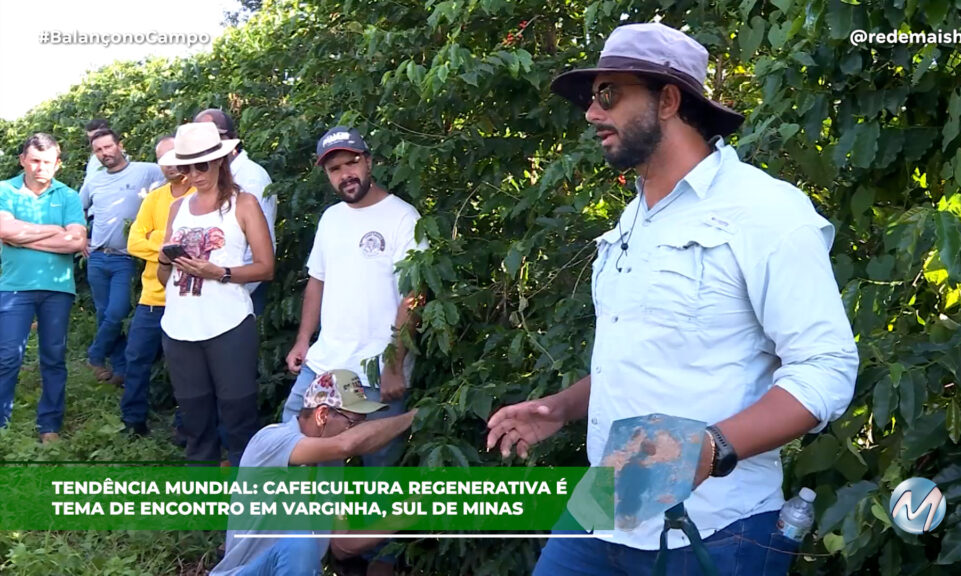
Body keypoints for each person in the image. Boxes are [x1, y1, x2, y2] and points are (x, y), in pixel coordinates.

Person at [486, 23, 859, 575]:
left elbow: (827, 369)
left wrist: (711, 447)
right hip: (607, 503)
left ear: (668, 100)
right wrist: (560, 409)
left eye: (608, 94)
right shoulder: (635, 216)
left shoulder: (766, 212)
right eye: (592, 98)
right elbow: (649, 354)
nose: (592, 113)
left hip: (714, 529)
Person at [281, 126, 425, 460]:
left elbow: (413, 295)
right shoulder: (331, 219)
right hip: (322, 366)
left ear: (369, 162)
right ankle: (307, 515)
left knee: (379, 470)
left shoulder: (403, 217)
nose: (345, 174)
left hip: (376, 371)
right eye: (335, 169)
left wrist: (395, 362)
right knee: (295, 453)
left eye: (352, 163)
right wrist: (303, 340)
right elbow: (317, 281)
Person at [210, 369, 417, 576]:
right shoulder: (273, 440)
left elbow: (343, 546)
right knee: (299, 542)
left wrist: (403, 516)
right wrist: (412, 418)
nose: (357, 430)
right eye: (354, 422)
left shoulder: (332, 466)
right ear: (322, 415)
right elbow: (347, 445)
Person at [156, 122, 274, 465]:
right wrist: (165, 259)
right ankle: (203, 510)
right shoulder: (177, 208)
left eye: (202, 165)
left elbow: (266, 268)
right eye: (186, 167)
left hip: (229, 326)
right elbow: (165, 277)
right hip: (179, 327)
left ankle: (248, 510)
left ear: (220, 161)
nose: (194, 174)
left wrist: (220, 272)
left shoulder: (244, 203)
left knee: (239, 421)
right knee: (195, 426)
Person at [0, 133, 88, 443]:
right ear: (23, 159)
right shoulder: (4, 190)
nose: (40, 168)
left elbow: (77, 241)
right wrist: (54, 231)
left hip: (57, 288)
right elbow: (4, 229)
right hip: (13, 287)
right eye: (34, 161)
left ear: (58, 165)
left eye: (47, 162)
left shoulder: (68, 196)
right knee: (8, 355)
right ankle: (1, 422)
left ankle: (49, 425)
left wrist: (22, 235)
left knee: (53, 356)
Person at [121, 135, 196, 436]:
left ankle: (185, 427)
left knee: (186, 369)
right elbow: (133, 242)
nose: (169, 166)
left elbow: (195, 249)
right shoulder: (154, 199)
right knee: (136, 358)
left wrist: (162, 245)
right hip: (152, 297)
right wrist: (168, 248)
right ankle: (132, 422)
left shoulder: (200, 196)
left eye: (175, 158)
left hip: (189, 297)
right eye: (162, 160)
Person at [80, 128, 164, 385]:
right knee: (105, 313)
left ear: (120, 145)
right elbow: (77, 209)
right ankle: (120, 370)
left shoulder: (146, 171)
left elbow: (178, 177)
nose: (105, 153)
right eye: (99, 150)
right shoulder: (93, 181)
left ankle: (95, 354)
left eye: (108, 147)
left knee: (117, 312)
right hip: (97, 257)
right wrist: (81, 236)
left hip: (125, 258)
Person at [193, 109, 276, 315]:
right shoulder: (203, 177)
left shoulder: (250, 178)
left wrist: (231, 283)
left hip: (239, 287)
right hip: (208, 289)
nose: (207, 145)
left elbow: (258, 248)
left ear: (232, 138)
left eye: (215, 137)